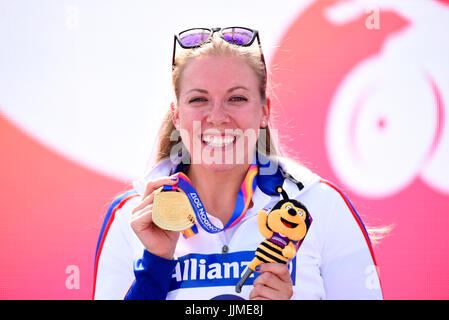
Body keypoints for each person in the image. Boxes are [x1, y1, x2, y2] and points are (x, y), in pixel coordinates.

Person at [92, 27, 383, 300]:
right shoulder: (132, 215)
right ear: (177, 115)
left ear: (264, 111)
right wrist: (154, 267)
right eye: (198, 100)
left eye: (237, 98)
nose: (217, 117)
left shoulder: (319, 204)